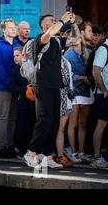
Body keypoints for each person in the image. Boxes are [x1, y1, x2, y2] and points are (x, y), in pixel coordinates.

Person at [23, 11, 74, 169]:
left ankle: (46, 155)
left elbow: (76, 39)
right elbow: (51, 32)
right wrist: (61, 20)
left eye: (54, 20)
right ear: (42, 26)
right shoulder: (40, 39)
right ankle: (30, 153)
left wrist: (72, 23)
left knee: (54, 122)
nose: (53, 22)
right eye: (50, 21)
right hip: (42, 84)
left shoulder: (57, 41)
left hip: (56, 85)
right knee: (44, 120)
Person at [64, 23, 94, 164]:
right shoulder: (68, 54)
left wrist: (89, 78)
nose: (75, 40)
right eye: (72, 37)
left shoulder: (87, 51)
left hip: (87, 91)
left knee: (83, 124)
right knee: (73, 124)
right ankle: (73, 152)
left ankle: (81, 152)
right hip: (74, 92)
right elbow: (67, 75)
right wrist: (81, 77)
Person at [0, 19, 20, 158]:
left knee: (13, 117)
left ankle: (10, 145)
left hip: (16, 87)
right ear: (4, 30)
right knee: (4, 116)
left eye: (14, 27)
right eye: (10, 27)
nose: (13, 29)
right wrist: (10, 83)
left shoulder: (17, 44)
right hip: (3, 86)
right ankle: (4, 146)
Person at [90, 21, 108, 168]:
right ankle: (96, 157)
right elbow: (96, 71)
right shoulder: (104, 49)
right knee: (101, 125)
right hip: (105, 94)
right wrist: (104, 90)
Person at [10, 47, 36, 158]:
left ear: (23, 56)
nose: (15, 58)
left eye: (17, 55)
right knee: (22, 127)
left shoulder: (32, 69)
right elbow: (13, 88)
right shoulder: (14, 71)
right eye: (14, 56)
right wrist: (25, 88)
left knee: (32, 127)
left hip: (34, 103)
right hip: (22, 103)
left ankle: (31, 150)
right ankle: (21, 150)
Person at [55, 56, 74, 168]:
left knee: (61, 128)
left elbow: (69, 81)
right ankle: (46, 153)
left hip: (65, 98)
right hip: (53, 98)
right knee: (51, 127)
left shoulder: (66, 61)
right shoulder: (49, 60)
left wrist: (70, 99)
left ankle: (60, 155)